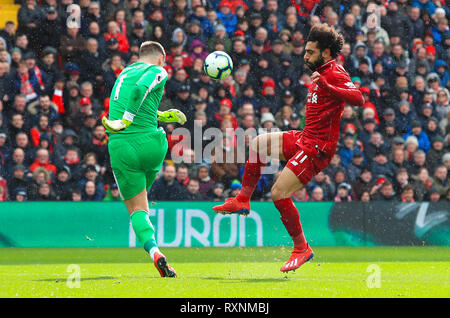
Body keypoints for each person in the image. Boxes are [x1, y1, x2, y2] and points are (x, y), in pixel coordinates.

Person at [213, 24, 364, 272]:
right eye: (305, 51)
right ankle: (242, 199)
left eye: (311, 52)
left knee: (278, 193)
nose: (305, 56)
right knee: (259, 144)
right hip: (306, 136)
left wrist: (328, 86)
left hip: (317, 147)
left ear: (326, 53)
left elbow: (359, 99)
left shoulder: (334, 73)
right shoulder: (322, 70)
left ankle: (301, 248)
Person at [102, 41, 187, 278]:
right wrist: (129, 119)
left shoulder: (123, 73)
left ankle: (155, 252)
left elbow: (134, 97)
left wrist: (159, 115)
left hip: (122, 147)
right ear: (161, 57)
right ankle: (158, 254)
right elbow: (141, 91)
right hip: (152, 144)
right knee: (144, 203)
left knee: (137, 210)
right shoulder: (158, 70)